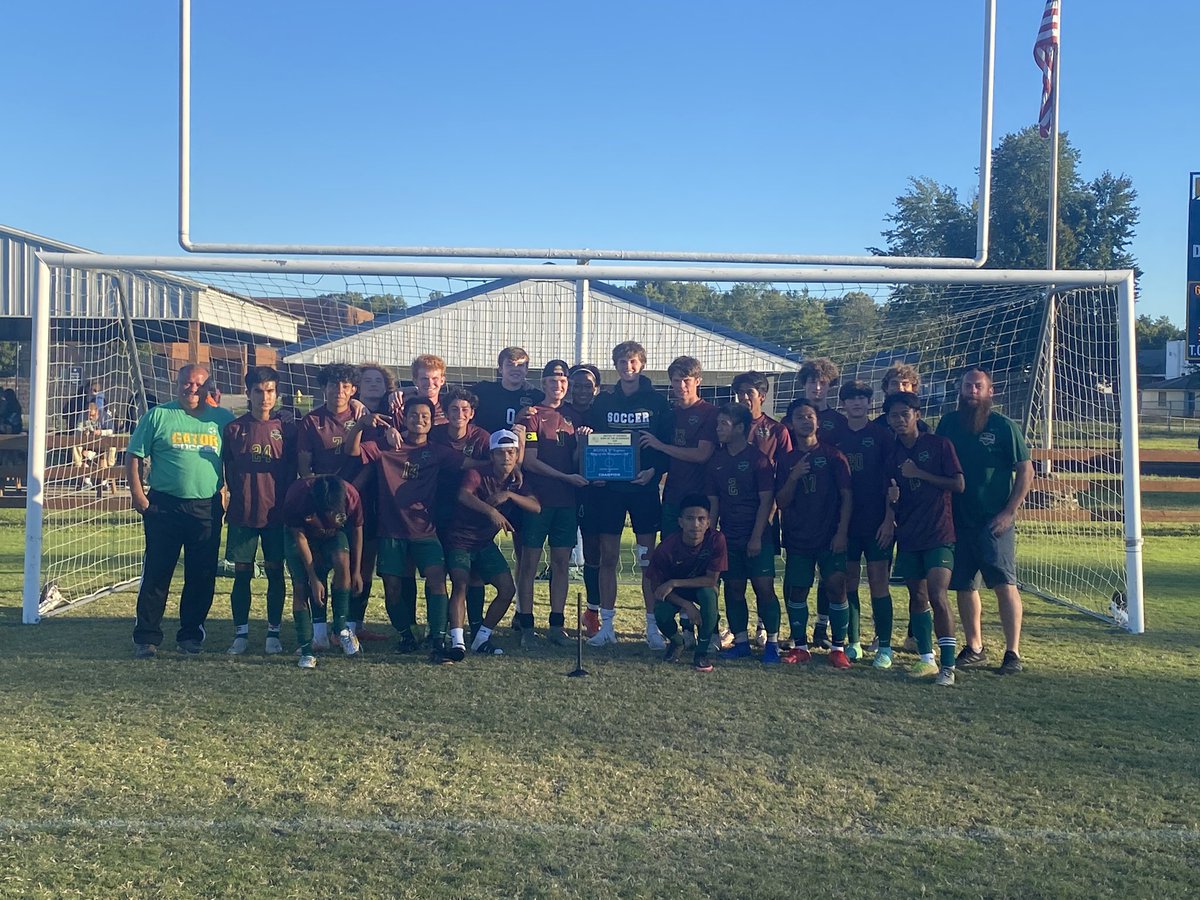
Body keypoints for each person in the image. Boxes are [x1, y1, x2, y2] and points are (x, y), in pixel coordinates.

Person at [127, 364, 235, 657]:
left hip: (206, 507)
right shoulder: (158, 415)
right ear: (178, 384)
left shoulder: (223, 419)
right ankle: (147, 637)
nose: (193, 389)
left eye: (199, 384)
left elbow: (236, 457)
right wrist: (138, 495)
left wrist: (228, 494)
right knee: (158, 572)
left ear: (209, 387)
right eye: (188, 383)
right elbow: (134, 455)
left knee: (202, 574)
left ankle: (190, 635)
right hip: (164, 506)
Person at [354, 397, 470, 661]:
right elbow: (353, 450)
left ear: (432, 422)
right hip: (390, 531)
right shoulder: (386, 445)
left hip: (425, 531)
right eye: (414, 415)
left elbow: (469, 464)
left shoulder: (437, 451)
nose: (420, 420)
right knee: (392, 588)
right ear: (404, 419)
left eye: (425, 416)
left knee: (437, 580)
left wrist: (506, 465)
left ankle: (438, 638)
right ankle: (406, 635)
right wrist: (360, 425)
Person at [935, 367, 1034, 675]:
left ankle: (1012, 652)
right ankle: (974, 646)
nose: (972, 391)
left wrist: (1009, 512)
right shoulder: (948, 423)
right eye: (967, 386)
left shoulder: (1003, 426)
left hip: (994, 522)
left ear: (991, 391)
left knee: (1004, 584)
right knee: (964, 585)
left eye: (978, 386)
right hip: (957, 519)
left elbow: (1026, 470)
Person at [586, 341, 672, 649]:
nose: (628, 366)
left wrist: (654, 472)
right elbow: (594, 441)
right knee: (608, 557)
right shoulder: (604, 401)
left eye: (633, 361)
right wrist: (595, 471)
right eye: (622, 362)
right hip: (610, 490)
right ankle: (607, 625)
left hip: (644, 488)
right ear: (616, 366)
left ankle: (652, 627)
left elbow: (666, 444)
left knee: (647, 559)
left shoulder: (657, 402)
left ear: (642, 364)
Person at [879, 392, 964, 686]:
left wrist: (920, 473)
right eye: (893, 416)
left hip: (939, 533)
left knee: (938, 594)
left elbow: (958, 484)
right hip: (909, 534)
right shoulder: (892, 455)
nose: (899, 420)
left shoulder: (939, 445)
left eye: (905, 414)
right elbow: (892, 495)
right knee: (917, 596)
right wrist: (892, 505)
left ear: (917, 414)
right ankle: (927, 658)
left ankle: (948, 666)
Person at [638, 356, 718, 647]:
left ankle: (710, 631)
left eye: (686, 380)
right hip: (672, 498)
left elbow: (702, 454)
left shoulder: (709, 413)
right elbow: (660, 456)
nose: (681, 385)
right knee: (674, 563)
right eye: (676, 380)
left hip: (701, 500)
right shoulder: (669, 415)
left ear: (698, 381)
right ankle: (683, 629)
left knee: (705, 566)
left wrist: (661, 446)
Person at [445, 430, 541, 656]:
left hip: (484, 542)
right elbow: (463, 495)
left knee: (507, 590)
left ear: (517, 455)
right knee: (460, 583)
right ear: (492, 456)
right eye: (500, 453)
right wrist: (491, 511)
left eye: (511, 452)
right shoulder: (477, 473)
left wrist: (509, 495)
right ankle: (457, 642)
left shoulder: (516, 481)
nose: (506, 457)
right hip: (459, 539)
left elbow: (536, 507)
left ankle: (481, 638)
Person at [221, 366, 296, 656]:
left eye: (270, 391)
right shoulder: (234, 429)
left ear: (277, 393)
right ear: (248, 393)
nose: (265, 397)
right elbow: (225, 470)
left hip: (277, 514)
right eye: (258, 391)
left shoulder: (287, 428)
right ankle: (240, 634)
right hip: (243, 513)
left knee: (276, 572)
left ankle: (273, 633)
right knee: (242, 574)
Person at [776, 397, 853, 668]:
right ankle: (800, 647)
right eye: (800, 417)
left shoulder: (834, 456)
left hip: (830, 535)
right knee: (797, 590)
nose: (806, 421)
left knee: (836, 586)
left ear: (818, 422)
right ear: (790, 423)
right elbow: (781, 501)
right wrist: (794, 476)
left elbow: (847, 497)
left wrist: (841, 532)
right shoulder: (786, 460)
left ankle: (838, 648)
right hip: (798, 536)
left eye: (810, 416)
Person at [515, 360, 588, 645]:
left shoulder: (573, 416)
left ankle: (557, 625)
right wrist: (565, 477)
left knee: (561, 563)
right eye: (553, 380)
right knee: (529, 564)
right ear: (544, 383)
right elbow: (530, 461)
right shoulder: (533, 416)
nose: (558, 385)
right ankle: (526, 625)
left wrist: (581, 447)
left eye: (563, 381)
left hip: (566, 502)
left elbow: (575, 460)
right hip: (537, 500)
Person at [705, 403, 781, 664]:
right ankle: (740, 642)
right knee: (734, 588)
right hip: (729, 536)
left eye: (723, 424)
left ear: (739, 428)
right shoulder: (716, 461)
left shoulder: (758, 460)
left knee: (764, 587)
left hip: (756, 535)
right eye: (717, 423)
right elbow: (714, 503)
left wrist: (757, 536)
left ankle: (772, 643)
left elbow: (767, 501)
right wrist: (712, 535)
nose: (718, 429)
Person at [832, 380, 898, 666]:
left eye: (862, 398)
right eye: (851, 398)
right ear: (843, 404)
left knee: (878, 580)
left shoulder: (882, 436)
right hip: (846, 523)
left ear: (870, 403)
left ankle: (885, 646)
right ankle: (854, 642)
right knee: (848, 580)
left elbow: (892, 483)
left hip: (876, 521)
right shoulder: (835, 436)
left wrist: (889, 519)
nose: (857, 402)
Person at [732, 370, 793, 651]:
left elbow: (784, 473)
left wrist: (771, 513)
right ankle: (738, 634)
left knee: (763, 582)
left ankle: (766, 631)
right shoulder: (729, 426)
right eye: (740, 393)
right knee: (735, 583)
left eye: (750, 393)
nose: (744, 397)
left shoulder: (777, 430)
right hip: (733, 518)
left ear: (762, 396)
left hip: (765, 514)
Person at [281, 474, 364, 669]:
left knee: (342, 561)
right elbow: (299, 537)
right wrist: (313, 577)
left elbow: (357, 530)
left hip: (334, 536)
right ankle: (307, 650)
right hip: (302, 536)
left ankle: (341, 629)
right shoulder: (297, 496)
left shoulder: (351, 496)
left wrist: (357, 570)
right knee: (301, 587)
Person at [347, 362, 403, 642]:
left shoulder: (395, 412)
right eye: (367, 380)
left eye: (378, 381)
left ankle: (357, 624)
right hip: (354, 495)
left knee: (370, 563)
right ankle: (342, 624)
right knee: (350, 561)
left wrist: (400, 393)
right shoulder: (348, 410)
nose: (373, 385)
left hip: (387, 497)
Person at [431, 386, 493, 638]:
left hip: (470, 511)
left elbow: (498, 463)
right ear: (445, 413)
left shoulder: (482, 437)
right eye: (454, 409)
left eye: (464, 409)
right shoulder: (435, 434)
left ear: (472, 413)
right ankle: (437, 628)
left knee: (473, 573)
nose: (459, 413)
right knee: (439, 572)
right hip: (436, 508)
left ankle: (475, 626)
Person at [796, 357, 845, 650]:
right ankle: (797, 636)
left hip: (831, 508)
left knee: (832, 578)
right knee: (799, 578)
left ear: (830, 386)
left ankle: (823, 627)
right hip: (800, 510)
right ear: (803, 384)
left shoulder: (838, 422)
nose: (816, 387)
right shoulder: (792, 419)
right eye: (812, 382)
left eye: (822, 383)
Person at [650, 494, 726, 673]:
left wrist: (675, 582)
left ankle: (702, 652)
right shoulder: (666, 548)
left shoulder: (717, 540)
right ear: (680, 522)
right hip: (677, 593)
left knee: (709, 595)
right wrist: (686, 605)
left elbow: (711, 580)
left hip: (699, 587)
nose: (696, 524)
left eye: (701, 519)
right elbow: (657, 589)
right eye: (690, 519)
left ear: (708, 522)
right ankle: (677, 642)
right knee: (661, 612)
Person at [565, 363, 605, 637]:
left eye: (587, 385)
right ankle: (530, 614)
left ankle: (592, 611)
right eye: (576, 385)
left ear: (596, 389)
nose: (581, 390)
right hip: (562, 490)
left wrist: (604, 474)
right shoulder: (560, 413)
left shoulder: (602, 413)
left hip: (594, 493)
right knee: (558, 554)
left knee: (594, 551)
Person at [471, 347, 545, 433]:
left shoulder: (536, 397)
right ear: (500, 369)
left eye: (520, 365)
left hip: (520, 441)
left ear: (526, 370)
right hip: (487, 441)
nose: (515, 369)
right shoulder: (483, 390)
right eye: (510, 365)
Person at [72, 400, 117, 491]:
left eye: (92, 415)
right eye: (88, 415)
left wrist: (100, 432)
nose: (90, 417)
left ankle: (104, 481)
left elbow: (111, 431)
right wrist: (84, 433)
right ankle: (84, 476)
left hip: (103, 445)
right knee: (75, 445)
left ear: (97, 412)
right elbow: (77, 431)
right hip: (88, 445)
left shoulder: (105, 416)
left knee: (110, 448)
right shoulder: (82, 416)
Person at [403, 354, 449, 425]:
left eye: (435, 378)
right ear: (415, 381)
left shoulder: (450, 409)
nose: (430, 383)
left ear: (442, 381)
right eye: (425, 379)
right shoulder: (403, 409)